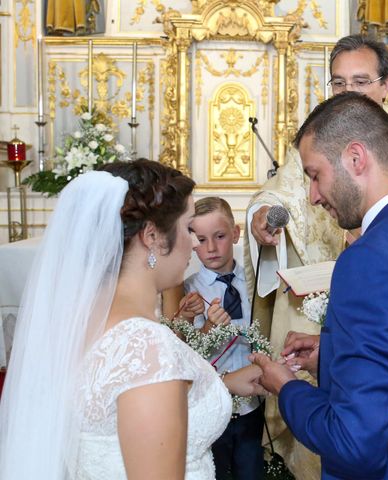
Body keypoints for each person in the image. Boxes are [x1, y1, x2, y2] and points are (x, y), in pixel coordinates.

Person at [243, 34, 388, 478]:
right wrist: (266, 215)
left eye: (360, 81)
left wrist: (285, 387)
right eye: (338, 83)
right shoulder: (315, 136)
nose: (348, 92)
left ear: (386, 85)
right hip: (315, 298)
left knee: (360, 426)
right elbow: (283, 195)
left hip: (376, 286)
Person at [0, 159, 265, 479]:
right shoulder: (146, 347)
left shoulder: (81, 322)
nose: (195, 243)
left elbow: (119, 404)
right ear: (152, 236)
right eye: (188, 228)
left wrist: (222, 386)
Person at [184, 196, 264, 480]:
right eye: (202, 239)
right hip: (211, 403)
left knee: (251, 470)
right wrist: (205, 328)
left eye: (219, 237)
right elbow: (184, 350)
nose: (211, 248)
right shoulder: (188, 292)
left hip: (251, 405)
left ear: (235, 234)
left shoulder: (255, 283)